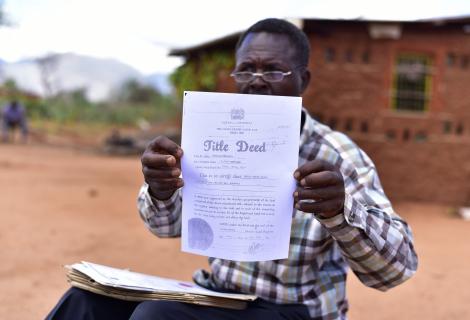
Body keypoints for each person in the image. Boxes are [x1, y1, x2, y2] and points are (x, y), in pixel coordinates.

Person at [46, 18, 418, 320]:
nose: (256, 81)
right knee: (84, 302)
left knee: (154, 318)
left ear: (303, 80)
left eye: (273, 71)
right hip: (218, 298)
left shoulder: (337, 155)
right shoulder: (212, 138)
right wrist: (161, 190)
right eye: (247, 70)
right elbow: (164, 228)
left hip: (293, 310)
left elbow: (396, 271)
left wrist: (340, 211)